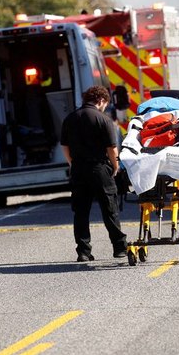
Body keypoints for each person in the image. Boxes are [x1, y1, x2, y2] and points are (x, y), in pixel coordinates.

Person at [60, 85, 128, 262]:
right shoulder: (103, 119)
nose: (105, 106)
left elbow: (64, 146)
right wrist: (116, 166)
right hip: (99, 169)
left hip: (78, 170)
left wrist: (72, 163)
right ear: (101, 100)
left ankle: (83, 251)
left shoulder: (70, 118)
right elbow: (112, 148)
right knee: (109, 208)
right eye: (105, 103)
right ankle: (119, 248)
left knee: (81, 212)